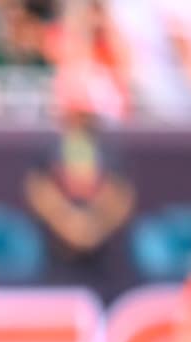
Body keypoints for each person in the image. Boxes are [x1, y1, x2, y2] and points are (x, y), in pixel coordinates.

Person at [23, 88, 134, 285]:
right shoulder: (49, 148)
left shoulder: (107, 149)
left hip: (102, 254)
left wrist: (91, 228)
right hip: (56, 252)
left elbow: (120, 195)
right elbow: (38, 190)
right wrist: (68, 222)